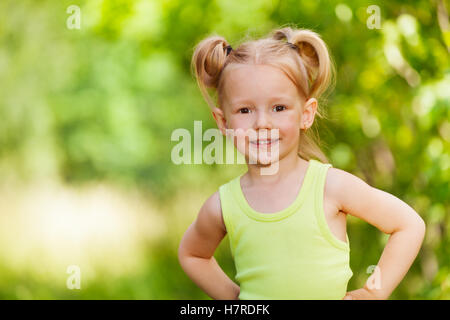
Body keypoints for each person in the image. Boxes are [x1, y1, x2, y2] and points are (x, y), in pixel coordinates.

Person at [177, 26, 426, 300]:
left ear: (306, 114)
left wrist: (372, 293)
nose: (262, 123)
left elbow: (408, 224)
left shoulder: (331, 187)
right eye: (245, 110)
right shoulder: (223, 205)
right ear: (223, 122)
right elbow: (193, 254)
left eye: (279, 108)